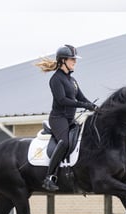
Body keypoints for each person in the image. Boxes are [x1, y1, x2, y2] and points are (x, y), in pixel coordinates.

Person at [35, 44, 97, 191]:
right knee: (64, 142)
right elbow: (62, 100)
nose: (75, 62)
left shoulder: (72, 80)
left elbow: (81, 97)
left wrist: (93, 106)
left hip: (70, 119)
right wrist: (83, 105)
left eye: (75, 59)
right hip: (58, 118)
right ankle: (48, 177)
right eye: (72, 59)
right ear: (63, 61)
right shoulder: (56, 79)